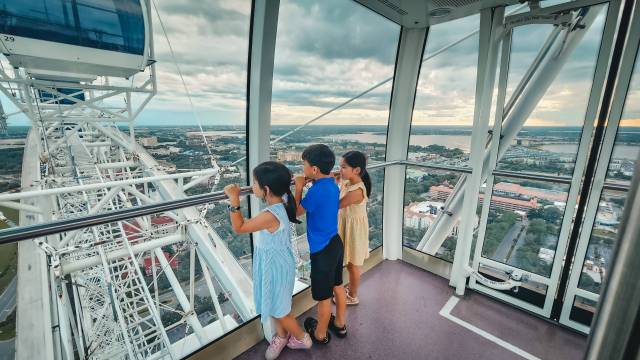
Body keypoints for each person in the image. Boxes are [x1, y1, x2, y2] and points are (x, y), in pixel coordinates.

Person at [224, 161, 312, 360]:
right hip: (277, 263)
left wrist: (234, 199)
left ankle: (301, 338)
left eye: (254, 183)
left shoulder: (270, 214)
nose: (251, 186)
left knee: (280, 311)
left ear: (266, 189)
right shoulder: (283, 204)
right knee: (274, 305)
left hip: (276, 267)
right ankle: (281, 336)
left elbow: (239, 227)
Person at [293, 144, 348, 345]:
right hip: (335, 243)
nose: (302, 169)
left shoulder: (315, 192)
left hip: (322, 250)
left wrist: (299, 186)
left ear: (314, 169)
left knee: (324, 298)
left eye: (304, 165)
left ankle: (320, 334)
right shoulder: (332, 184)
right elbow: (322, 190)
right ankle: (340, 324)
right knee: (338, 286)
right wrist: (310, 182)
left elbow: (297, 211)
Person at [337, 150, 371, 305]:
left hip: (354, 230)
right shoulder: (348, 181)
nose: (340, 170)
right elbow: (336, 176)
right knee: (350, 263)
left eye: (343, 167)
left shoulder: (357, 191)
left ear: (356, 170)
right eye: (340, 166)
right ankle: (349, 291)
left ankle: (353, 295)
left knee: (353, 265)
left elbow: (336, 205)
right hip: (347, 225)